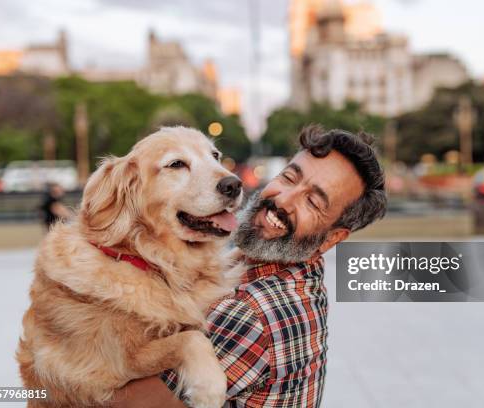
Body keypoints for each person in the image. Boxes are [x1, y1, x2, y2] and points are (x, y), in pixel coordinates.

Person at [112, 125, 387, 408]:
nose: (283, 199)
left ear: (332, 238)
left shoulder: (252, 312)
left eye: (313, 202)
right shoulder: (288, 273)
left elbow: (121, 401)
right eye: (289, 178)